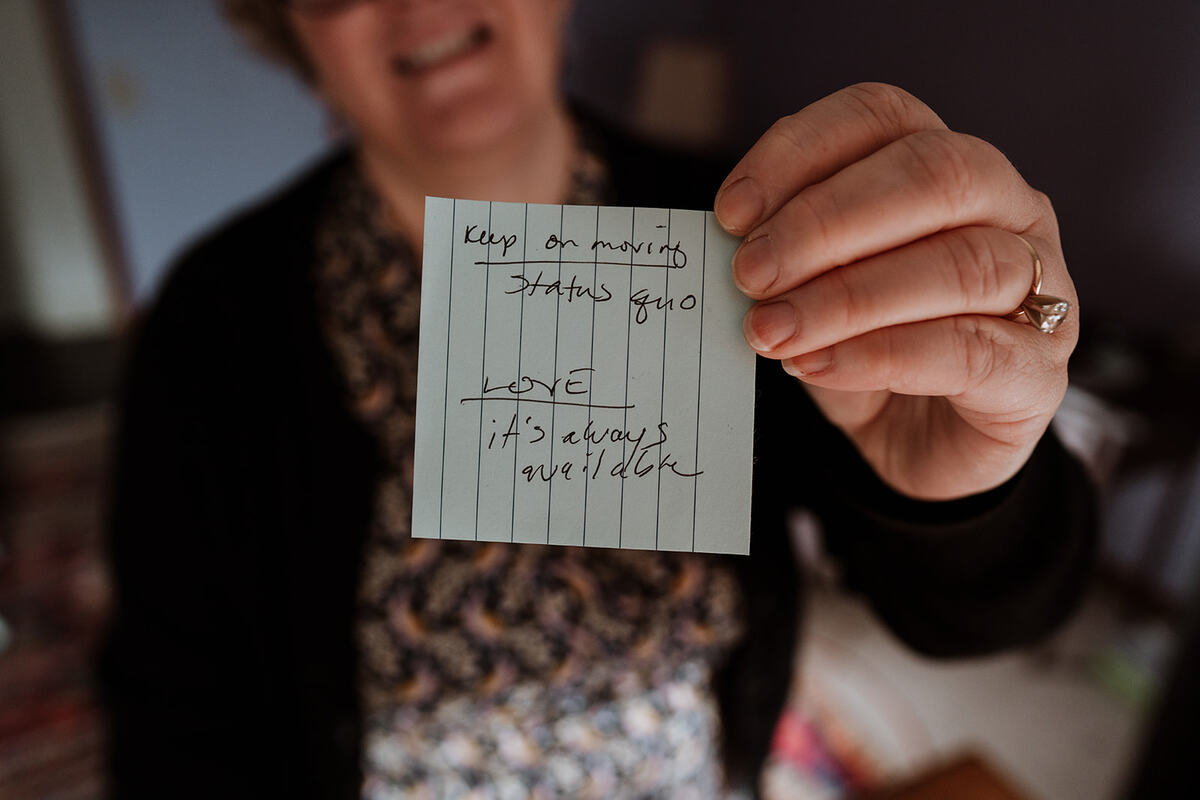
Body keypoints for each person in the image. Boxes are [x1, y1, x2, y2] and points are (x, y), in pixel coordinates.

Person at [100, 1, 1097, 798]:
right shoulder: (212, 318)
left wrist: (972, 481)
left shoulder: (751, 241)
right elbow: (171, 709)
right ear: (291, 29)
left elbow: (978, 619)